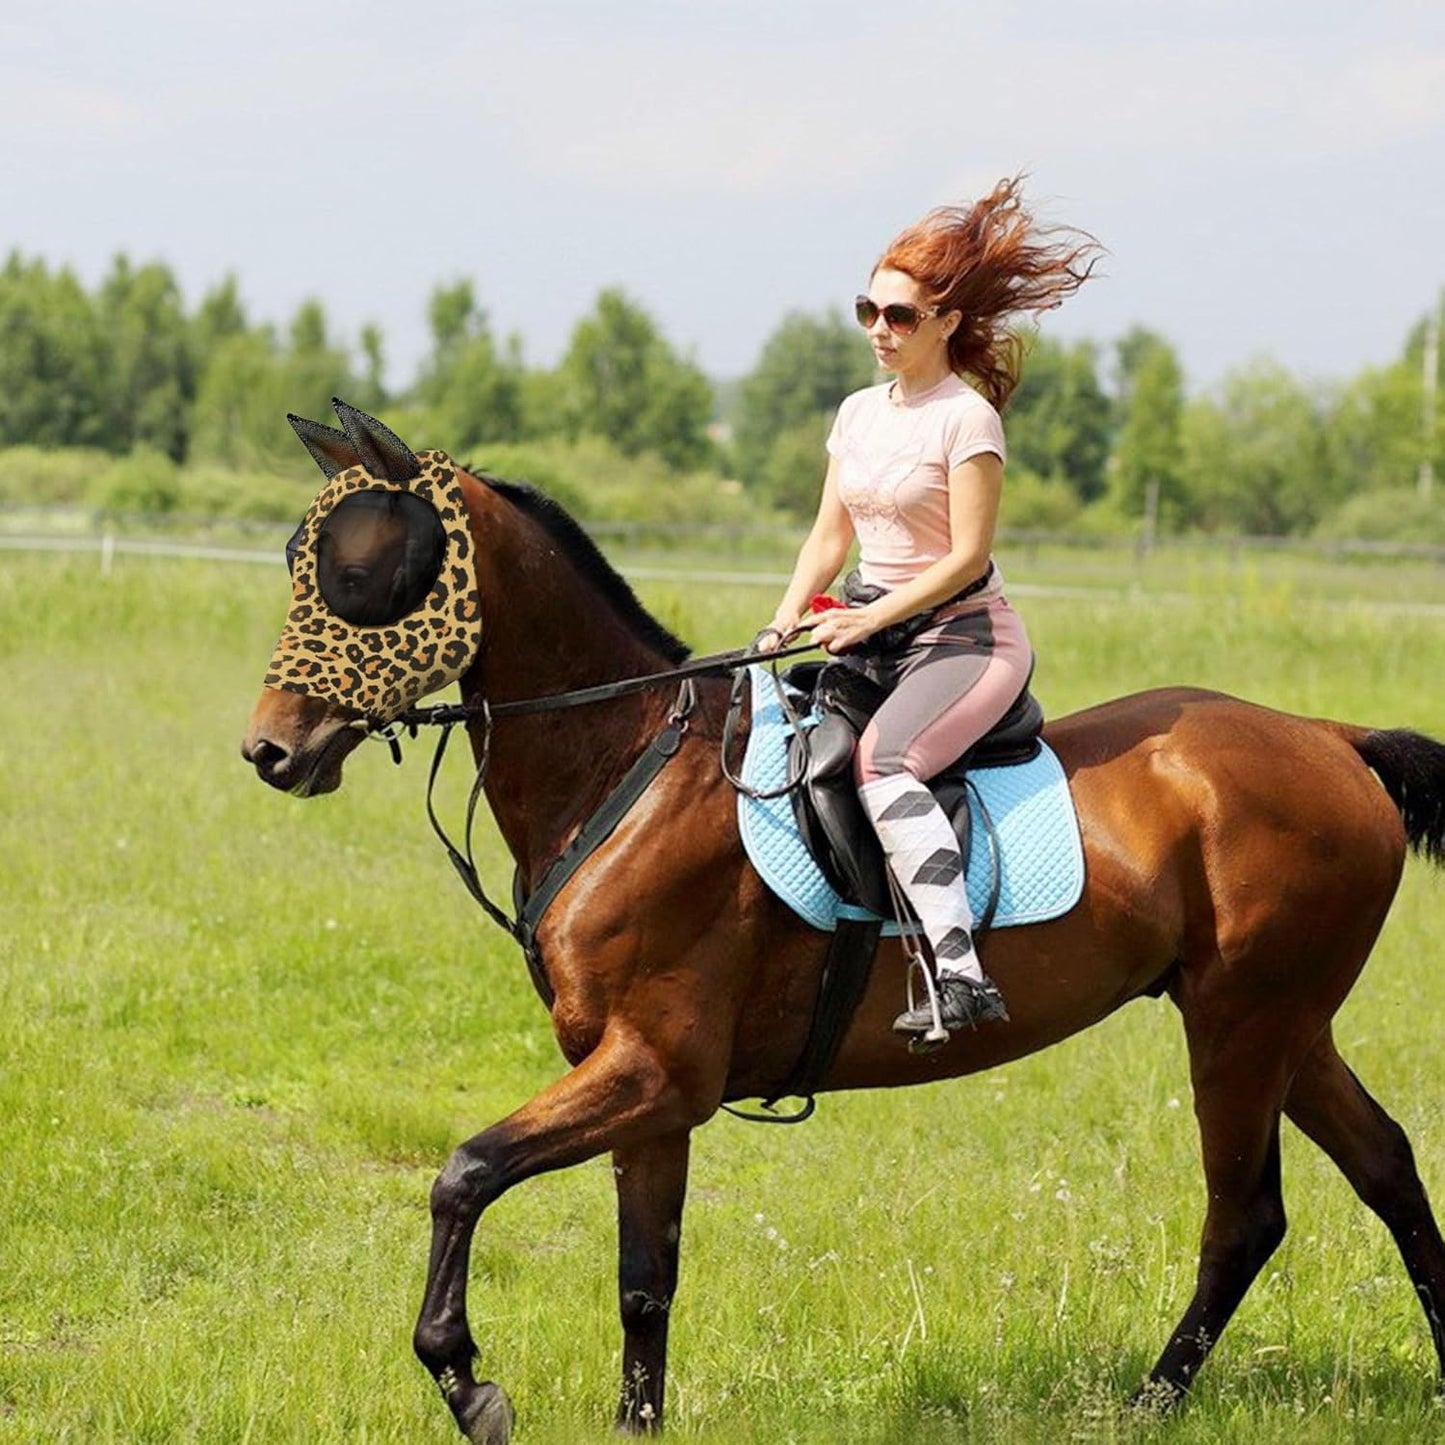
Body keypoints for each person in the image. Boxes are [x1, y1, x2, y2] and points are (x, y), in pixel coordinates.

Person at [756, 177, 1099, 1039]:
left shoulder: (966, 421)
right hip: (870, 636)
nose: (879, 328)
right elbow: (827, 538)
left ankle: (959, 974)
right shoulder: (855, 414)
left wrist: (867, 619)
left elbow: (966, 558)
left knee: (885, 761)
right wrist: (782, 619)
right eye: (867, 310)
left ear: (945, 323)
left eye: (899, 316)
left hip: (964, 642)